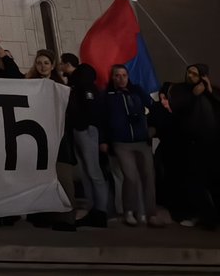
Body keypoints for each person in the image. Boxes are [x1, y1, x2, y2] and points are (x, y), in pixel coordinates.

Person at [99, 64, 166, 226]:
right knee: (130, 177)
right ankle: (129, 211)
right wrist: (103, 140)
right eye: (117, 75)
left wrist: (152, 128)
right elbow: (102, 120)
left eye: (124, 75)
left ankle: (151, 214)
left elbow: (153, 107)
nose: (121, 78)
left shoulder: (136, 90)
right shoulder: (107, 96)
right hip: (121, 142)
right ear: (112, 77)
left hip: (141, 140)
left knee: (148, 176)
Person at [167, 64, 220, 228]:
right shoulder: (179, 89)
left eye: (195, 74)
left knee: (212, 182)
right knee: (193, 182)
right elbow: (177, 107)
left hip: (211, 144)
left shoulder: (212, 91)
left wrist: (209, 91)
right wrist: (194, 95)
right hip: (189, 144)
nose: (190, 76)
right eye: (189, 72)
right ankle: (201, 216)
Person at [67, 64, 109, 228]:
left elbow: (92, 110)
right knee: (86, 173)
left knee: (93, 172)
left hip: (86, 130)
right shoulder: (78, 88)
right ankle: (93, 210)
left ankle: (101, 211)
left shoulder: (87, 89)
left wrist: (83, 125)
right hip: (80, 130)